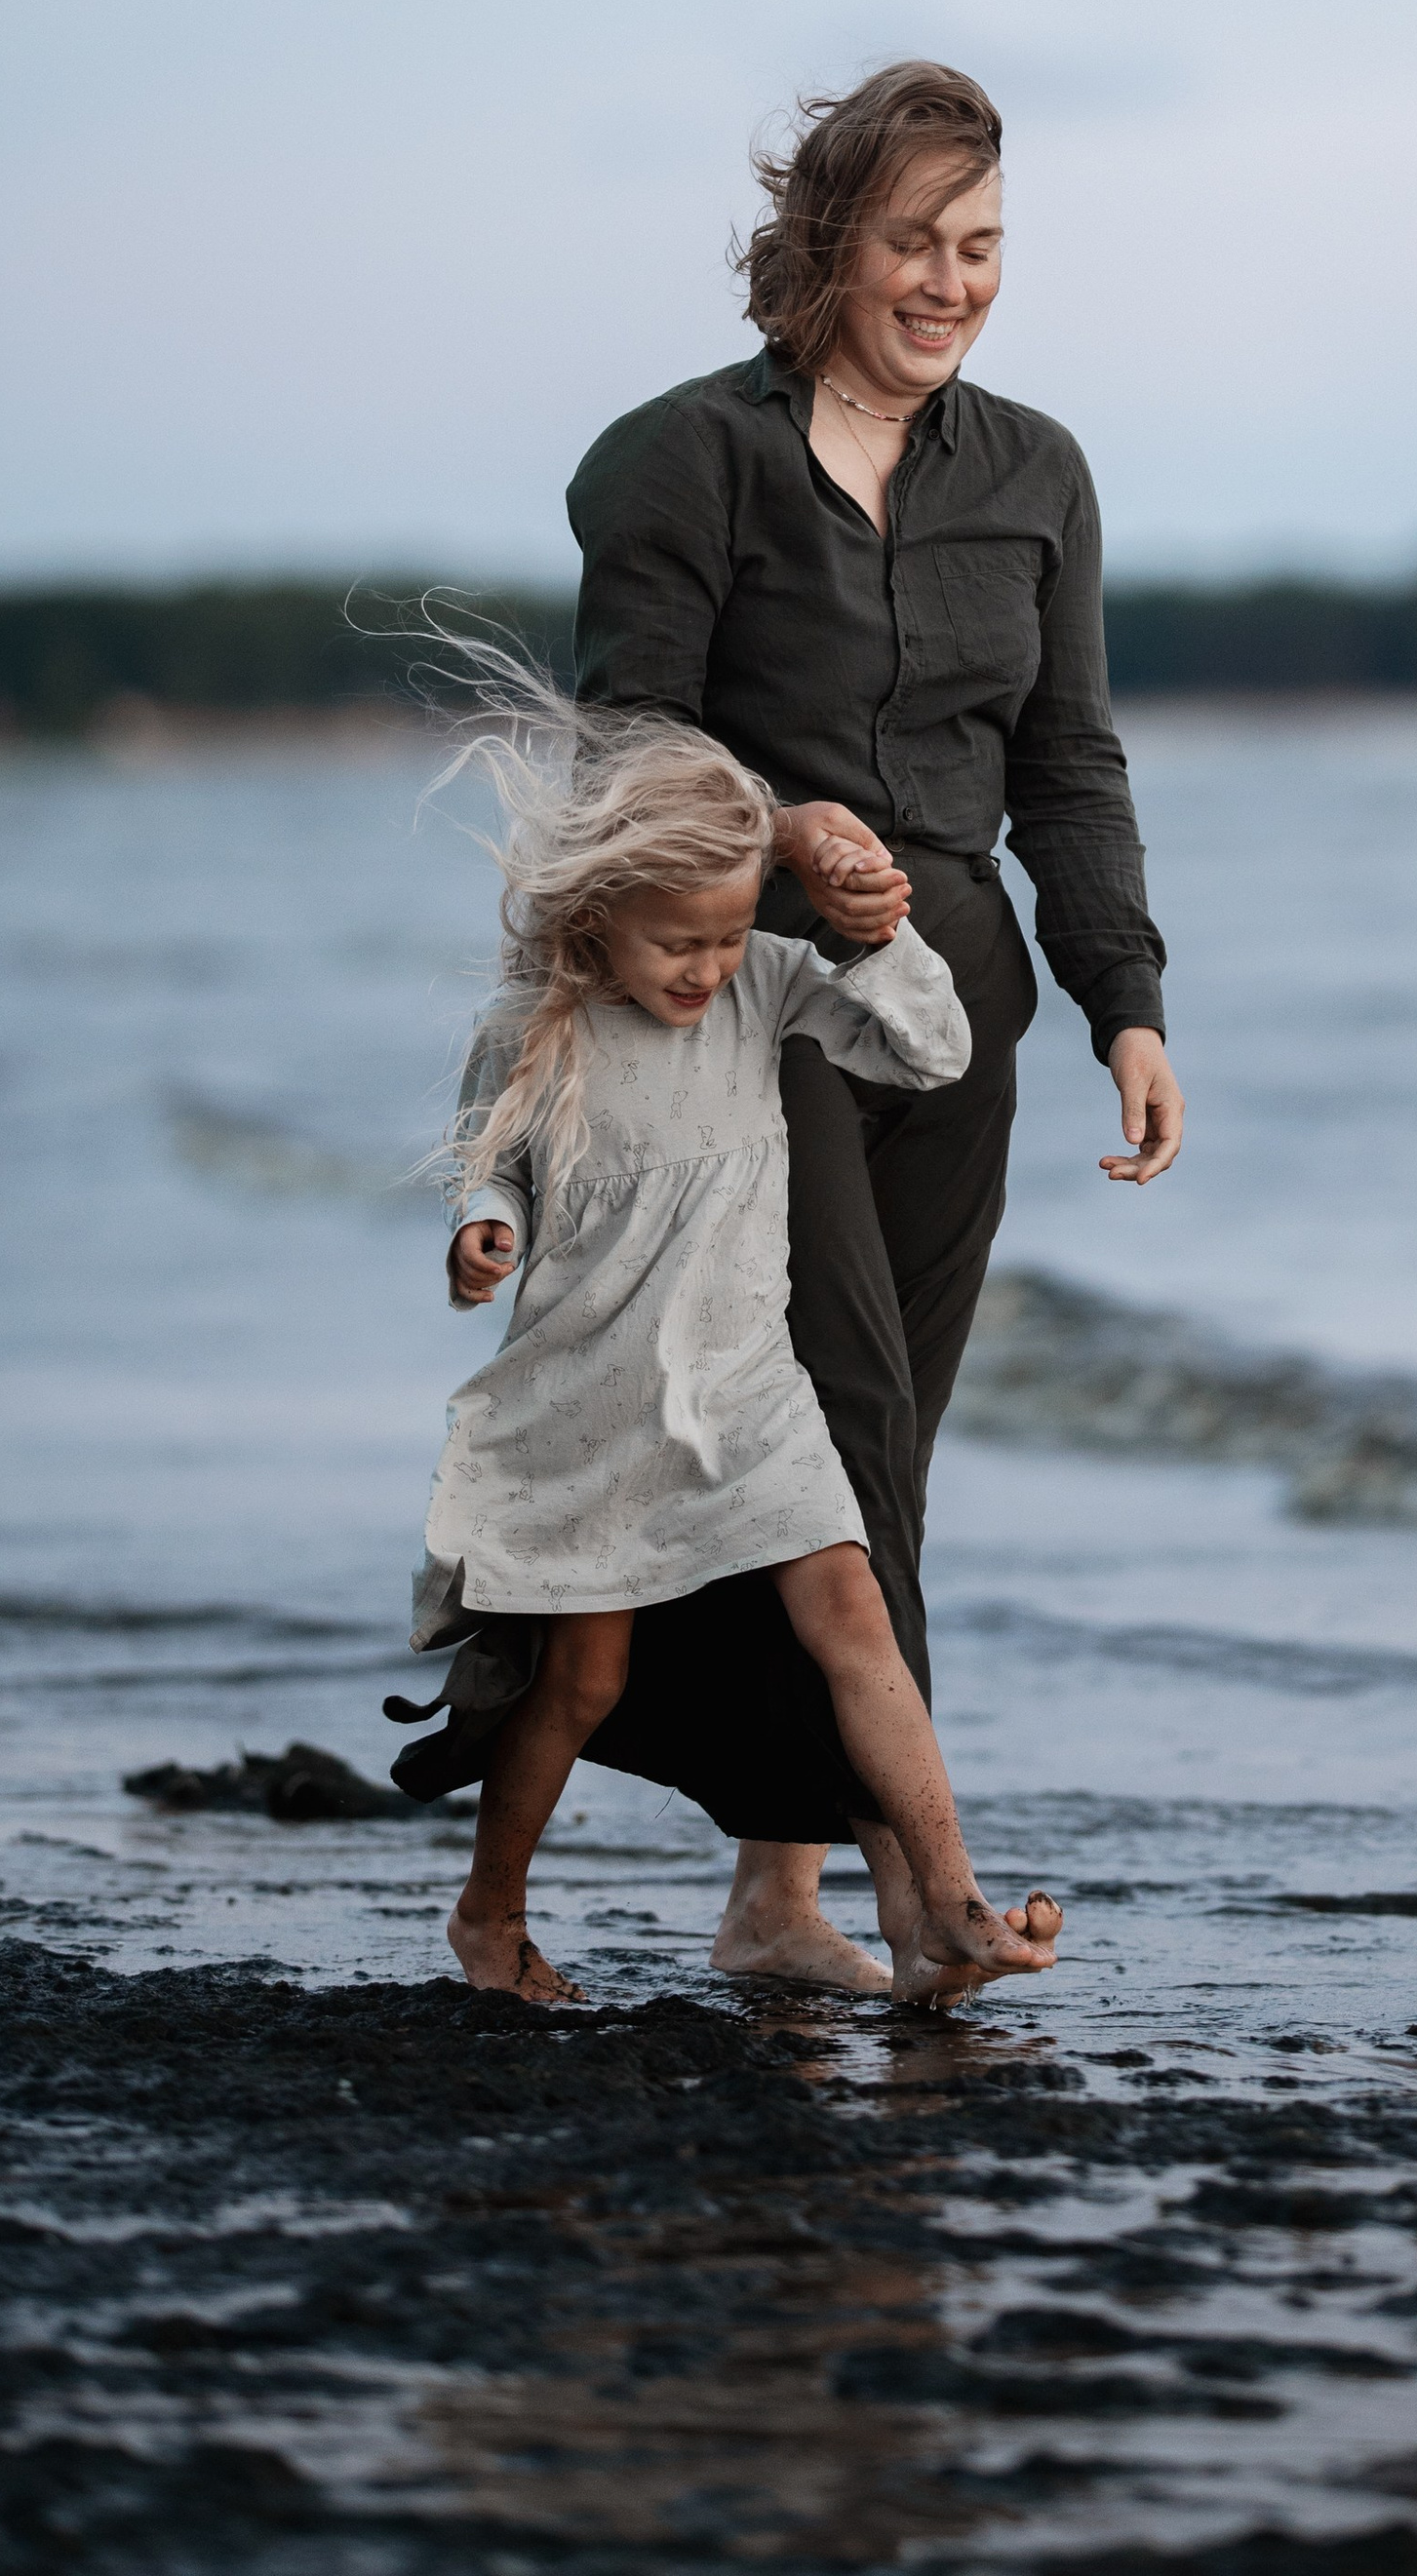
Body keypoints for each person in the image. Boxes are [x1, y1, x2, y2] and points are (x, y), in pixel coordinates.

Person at [563, 59, 1183, 1993]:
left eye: (982, 246)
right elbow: (622, 745)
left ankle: (775, 1896)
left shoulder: (1037, 471)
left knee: (883, 1432)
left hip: (961, 1012)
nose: (950, 282)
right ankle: (934, 1886)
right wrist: (773, 831)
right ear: (826, 246)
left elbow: (1066, 759)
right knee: (840, 1411)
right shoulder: (680, 462)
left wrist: (1124, 1001)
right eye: (914, 241)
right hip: (748, 1004)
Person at [410, 672, 1061, 2010]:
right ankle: (492, 1912)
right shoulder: (537, 1026)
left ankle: (948, 1900)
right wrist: (486, 1227)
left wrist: (876, 936)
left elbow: (931, 1054)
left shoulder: (766, 985)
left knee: (854, 1613)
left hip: (746, 1385)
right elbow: (499, 1166)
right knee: (580, 1681)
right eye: (677, 946)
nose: (706, 969)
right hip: (595, 1395)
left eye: (723, 937)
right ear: (599, 919)